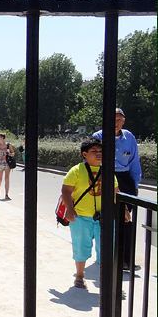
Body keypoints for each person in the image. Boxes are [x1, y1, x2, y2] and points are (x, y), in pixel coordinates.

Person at [60, 138, 119, 289]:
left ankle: (106, 280)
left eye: (100, 151)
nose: (98, 154)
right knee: (80, 247)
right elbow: (66, 191)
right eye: (94, 151)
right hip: (81, 217)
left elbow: (115, 192)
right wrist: (70, 210)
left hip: (104, 218)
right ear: (84, 154)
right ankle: (79, 276)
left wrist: (123, 210)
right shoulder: (76, 170)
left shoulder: (107, 171)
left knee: (107, 248)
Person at [92, 108, 143, 271]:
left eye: (119, 119)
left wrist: (135, 185)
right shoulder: (99, 136)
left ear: (124, 121)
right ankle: (107, 257)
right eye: (113, 119)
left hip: (125, 178)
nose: (116, 123)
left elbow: (135, 162)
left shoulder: (129, 137)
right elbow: (94, 160)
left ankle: (127, 259)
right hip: (106, 177)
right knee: (108, 220)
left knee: (126, 220)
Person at [0, 133, 15, 200]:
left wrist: (10, 154)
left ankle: (6, 194)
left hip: (7, 163)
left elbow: (13, 153)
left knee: (7, 178)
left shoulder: (8, 145)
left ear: (2, 138)